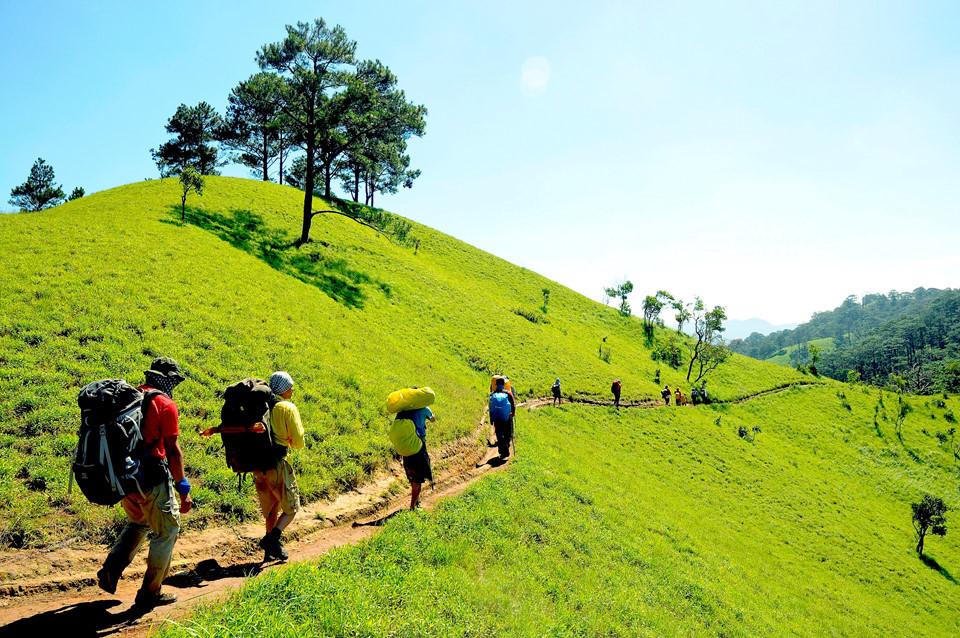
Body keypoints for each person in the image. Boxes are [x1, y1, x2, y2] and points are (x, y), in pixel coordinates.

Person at [97, 357, 192, 608]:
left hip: (124, 478)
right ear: (168, 380)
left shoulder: (132, 396)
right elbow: (173, 451)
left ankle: (110, 570)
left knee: (138, 521)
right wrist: (183, 488)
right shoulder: (165, 404)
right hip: (151, 478)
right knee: (167, 531)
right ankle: (151, 592)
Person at [252, 371, 305, 562]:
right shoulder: (286, 408)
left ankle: (269, 552)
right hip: (277, 464)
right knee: (291, 509)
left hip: (257, 465)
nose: (292, 389)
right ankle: (271, 540)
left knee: (271, 509)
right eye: (290, 386)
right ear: (283, 389)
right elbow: (298, 441)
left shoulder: (262, 405)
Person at [395, 404, 435, 510]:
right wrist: (429, 416)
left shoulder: (402, 412)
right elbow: (433, 419)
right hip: (418, 446)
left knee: (412, 476)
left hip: (406, 446)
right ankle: (413, 506)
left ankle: (416, 501)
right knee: (418, 477)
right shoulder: (424, 408)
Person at [489, 377, 516, 460]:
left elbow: (490, 408)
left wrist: (491, 419)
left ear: (496, 385)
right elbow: (513, 405)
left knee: (499, 435)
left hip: (497, 418)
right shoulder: (508, 393)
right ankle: (506, 446)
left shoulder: (492, 395)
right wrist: (513, 413)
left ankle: (501, 451)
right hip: (507, 418)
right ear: (504, 385)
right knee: (508, 433)